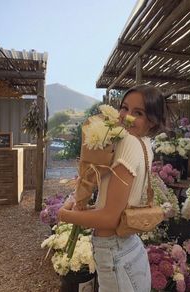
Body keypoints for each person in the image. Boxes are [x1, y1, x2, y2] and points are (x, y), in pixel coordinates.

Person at [58, 84, 167, 292]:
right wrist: (83, 204)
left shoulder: (128, 143)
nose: (126, 116)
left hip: (116, 253)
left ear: (152, 121)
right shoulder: (145, 144)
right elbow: (119, 205)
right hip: (128, 249)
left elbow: (110, 218)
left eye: (138, 113)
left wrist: (65, 215)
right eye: (124, 108)